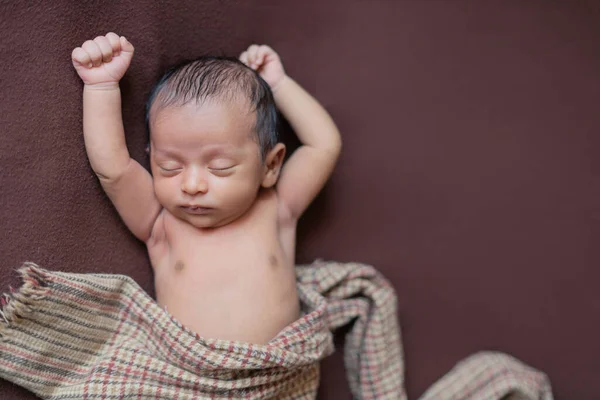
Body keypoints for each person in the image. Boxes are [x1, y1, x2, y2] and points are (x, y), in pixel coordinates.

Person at [71, 32, 341, 344]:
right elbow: (113, 168)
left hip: (277, 377)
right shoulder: (160, 222)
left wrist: (278, 84)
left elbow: (323, 146)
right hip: (192, 379)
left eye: (219, 168)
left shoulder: (278, 207)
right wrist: (101, 87)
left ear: (270, 166)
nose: (192, 185)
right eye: (169, 167)